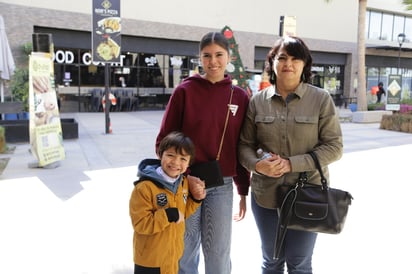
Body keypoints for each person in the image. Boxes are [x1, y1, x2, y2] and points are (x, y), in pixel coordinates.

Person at [238, 36, 343, 274]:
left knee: (299, 263)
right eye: (282, 57)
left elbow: (334, 147)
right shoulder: (257, 102)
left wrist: (290, 164)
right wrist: (257, 166)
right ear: (272, 62)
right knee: (272, 260)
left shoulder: (320, 99)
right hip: (266, 195)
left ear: (305, 64)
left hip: (308, 195)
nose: (289, 63)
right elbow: (244, 145)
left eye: (296, 58)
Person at [155, 31, 250, 274]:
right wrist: (179, 174)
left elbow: (240, 145)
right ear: (200, 58)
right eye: (207, 55)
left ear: (229, 57)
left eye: (219, 55)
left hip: (221, 184)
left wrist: (243, 190)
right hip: (185, 183)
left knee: (218, 253)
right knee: (184, 251)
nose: (213, 61)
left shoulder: (239, 96)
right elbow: (163, 141)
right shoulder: (185, 91)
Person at [129, 131, 207, 274]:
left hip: (172, 257)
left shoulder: (182, 182)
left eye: (183, 158)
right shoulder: (145, 187)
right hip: (150, 260)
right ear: (160, 155)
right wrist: (168, 214)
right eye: (170, 155)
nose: (176, 162)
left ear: (189, 163)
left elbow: (181, 215)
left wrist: (195, 199)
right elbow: (141, 224)